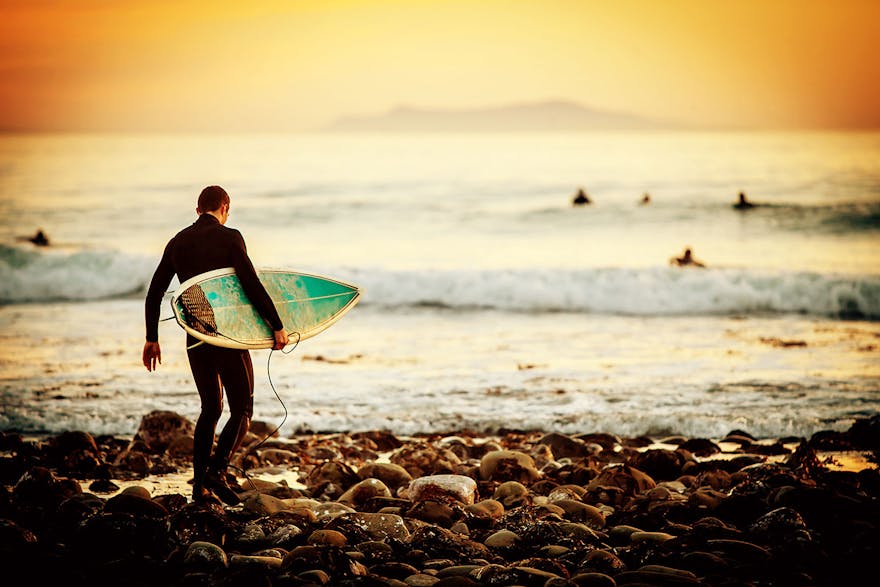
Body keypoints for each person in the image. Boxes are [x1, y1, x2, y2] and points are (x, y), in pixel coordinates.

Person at [142, 186, 288, 504]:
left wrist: (151, 338)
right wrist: (276, 325)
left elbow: (154, 293)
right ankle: (216, 472)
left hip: (196, 334)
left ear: (198, 211)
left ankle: (200, 489)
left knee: (210, 408)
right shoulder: (230, 237)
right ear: (226, 207)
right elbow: (250, 283)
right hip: (227, 334)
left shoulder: (177, 242)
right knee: (242, 409)